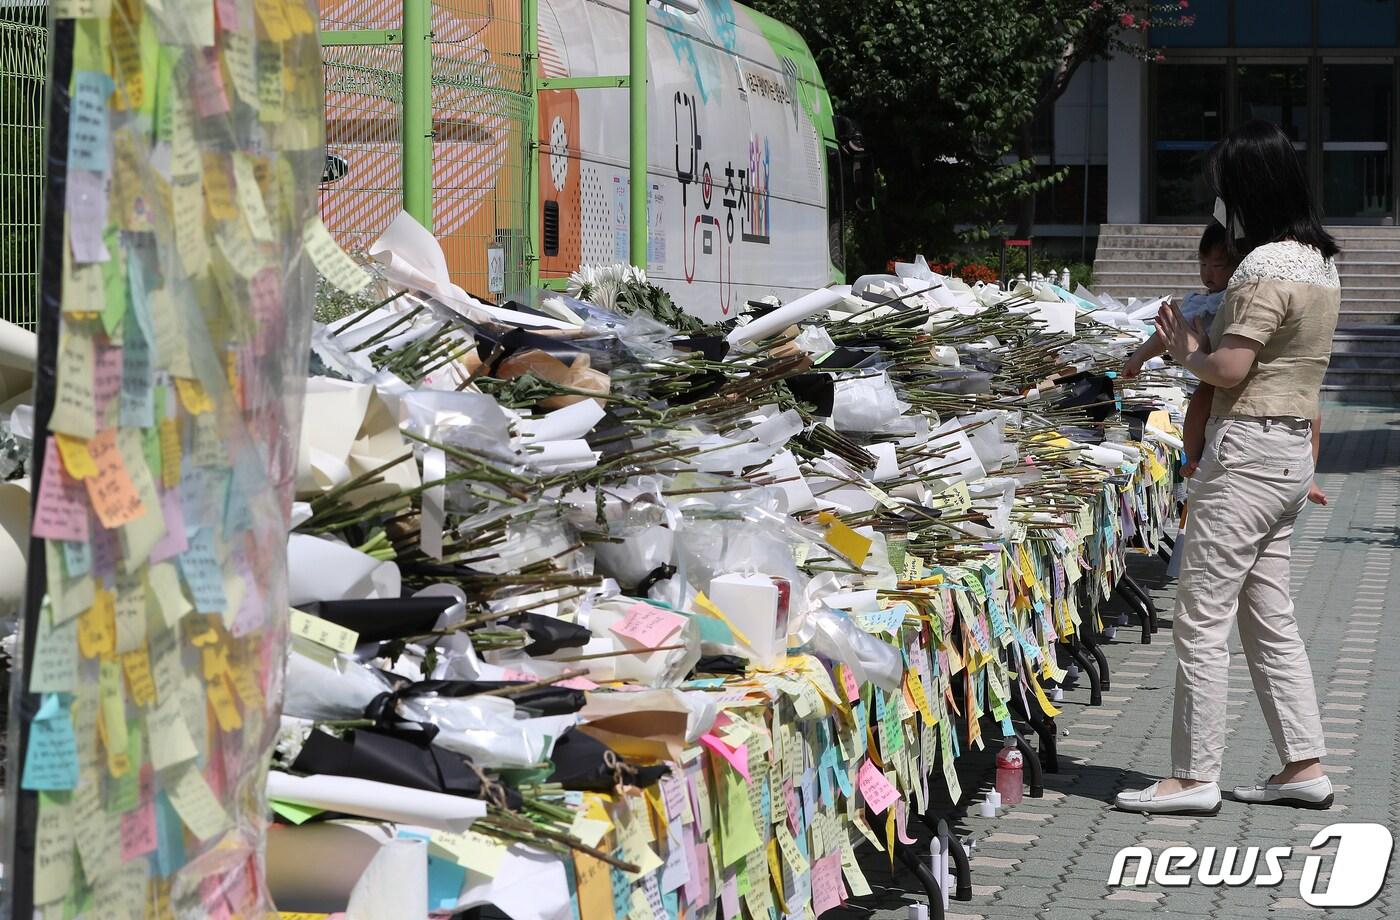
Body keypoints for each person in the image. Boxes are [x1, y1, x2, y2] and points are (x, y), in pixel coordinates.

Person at [1115, 120, 1340, 816]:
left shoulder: (1263, 265)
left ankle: (1191, 777)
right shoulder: (1321, 263)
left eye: (1224, 190)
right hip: (1290, 453)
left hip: (1245, 452)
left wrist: (1183, 348)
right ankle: (1303, 765)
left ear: (1248, 190)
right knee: (1269, 617)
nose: (1219, 206)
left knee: (1202, 616)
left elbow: (1228, 366)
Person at [1123, 226, 1329, 505]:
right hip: (1216, 371)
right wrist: (1139, 356)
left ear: (1239, 265)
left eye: (1217, 266)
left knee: (1313, 412)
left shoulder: (1251, 290)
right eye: (1203, 264)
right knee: (1201, 399)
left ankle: (1310, 475)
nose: (1208, 273)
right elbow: (1168, 334)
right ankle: (1192, 455)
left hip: (1273, 384)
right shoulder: (1204, 303)